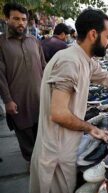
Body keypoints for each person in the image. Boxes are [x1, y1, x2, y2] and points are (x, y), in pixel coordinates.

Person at [30, 9, 108, 193]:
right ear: (93, 34)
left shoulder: (84, 60)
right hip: (56, 154)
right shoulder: (69, 62)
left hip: (66, 148)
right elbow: (58, 113)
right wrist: (91, 128)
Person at [0, 3, 46, 162]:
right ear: (7, 19)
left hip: (39, 99)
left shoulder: (34, 41)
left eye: (24, 19)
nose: (21, 23)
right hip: (17, 102)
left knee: (42, 136)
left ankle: (42, 166)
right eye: (16, 19)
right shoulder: (1, 44)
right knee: (26, 140)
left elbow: (44, 67)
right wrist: (7, 100)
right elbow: (0, 76)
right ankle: (33, 167)